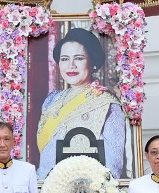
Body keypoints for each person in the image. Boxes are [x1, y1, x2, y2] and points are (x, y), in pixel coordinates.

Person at [36, 27, 126, 180]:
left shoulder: (107, 104)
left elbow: (113, 166)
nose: (71, 65)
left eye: (78, 58)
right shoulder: (51, 100)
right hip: (45, 189)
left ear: (92, 62)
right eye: (64, 59)